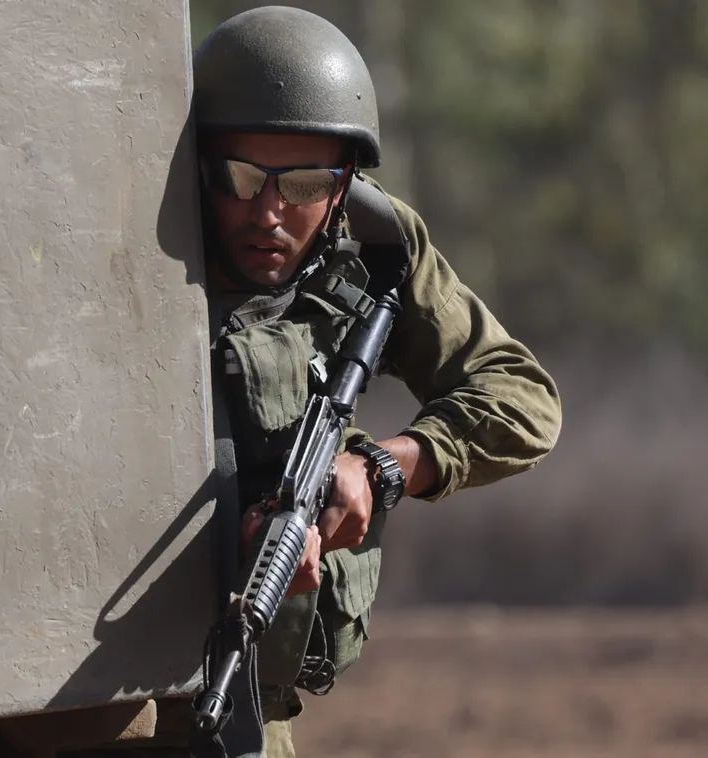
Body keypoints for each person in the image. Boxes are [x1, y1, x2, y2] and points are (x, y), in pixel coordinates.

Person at [188, 6, 564, 757]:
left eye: (300, 184)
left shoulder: (375, 253)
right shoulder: (130, 244)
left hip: (241, 704)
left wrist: (380, 467)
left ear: (345, 185)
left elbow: (522, 398)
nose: (267, 212)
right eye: (237, 177)